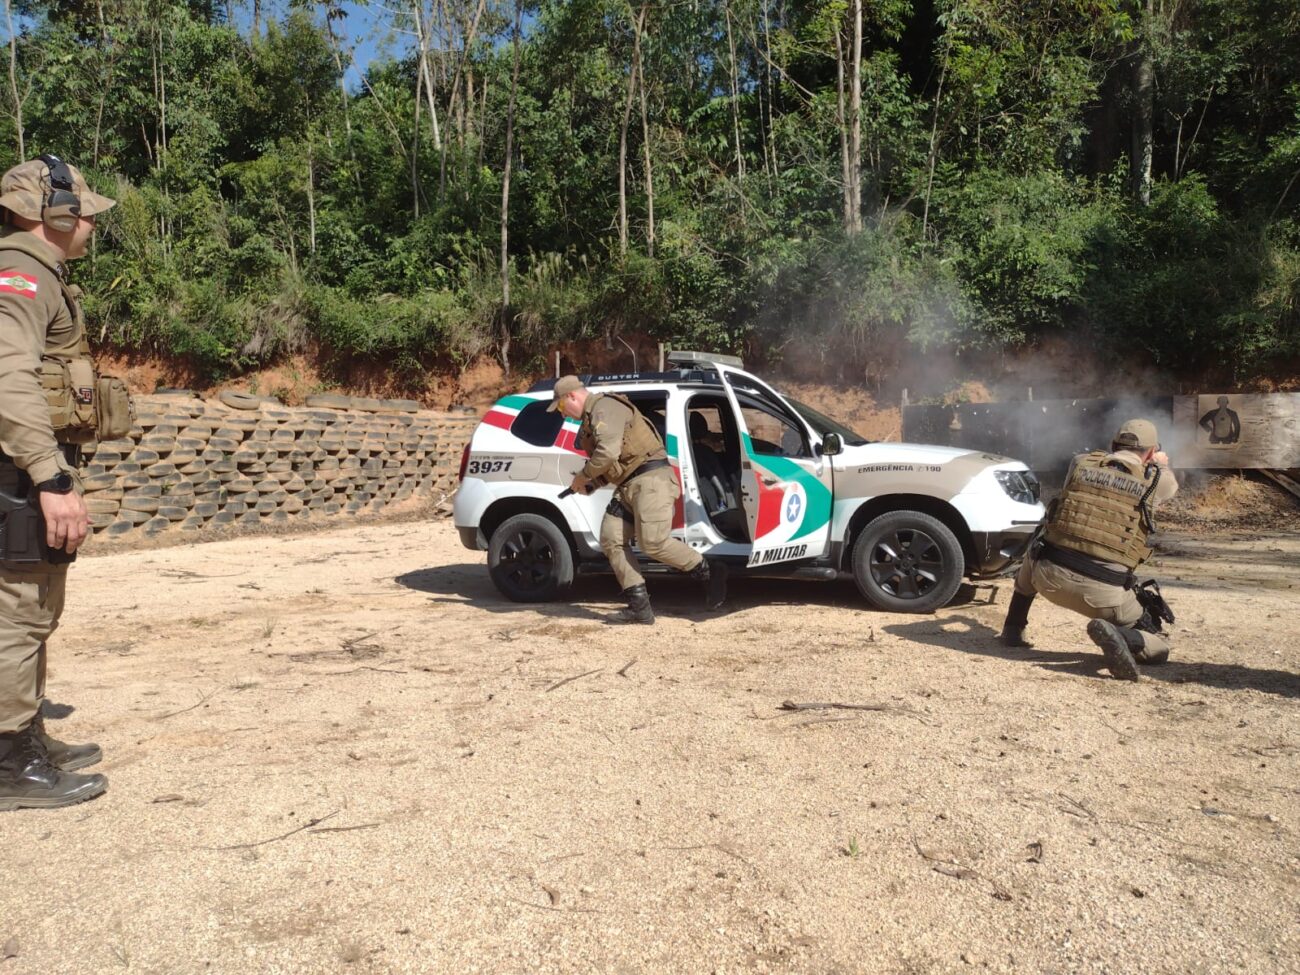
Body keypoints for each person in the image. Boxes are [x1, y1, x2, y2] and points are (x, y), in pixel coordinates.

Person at [0, 155, 116, 811]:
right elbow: (8, 379)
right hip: (16, 471)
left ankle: (27, 737)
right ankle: (10, 764)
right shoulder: (19, 274)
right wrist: (48, 476)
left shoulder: (37, 274)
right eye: (83, 211)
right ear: (52, 214)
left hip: (22, 467)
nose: (90, 222)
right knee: (18, 615)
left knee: (34, 611)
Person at [999, 419, 1178, 681]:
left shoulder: (1081, 463)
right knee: (1158, 646)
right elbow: (1171, 487)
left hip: (1047, 577)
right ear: (1151, 452)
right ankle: (1124, 636)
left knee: (1038, 547)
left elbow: (1098, 465)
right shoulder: (1155, 481)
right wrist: (1161, 464)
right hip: (1103, 597)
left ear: (1112, 444)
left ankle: (1013, 629)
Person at [551, 376, 727, 624]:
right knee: (611, 539)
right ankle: (639, 607)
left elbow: (607, 453)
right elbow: (615, 464)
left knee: (652, 543)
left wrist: (583, 476)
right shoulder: (590, 422)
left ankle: (709, 570)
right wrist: (591, 484)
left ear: (572, 396)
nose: (562, 414)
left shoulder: (604, 407)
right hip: (628, 487)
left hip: (650, 481)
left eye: (560, 407)